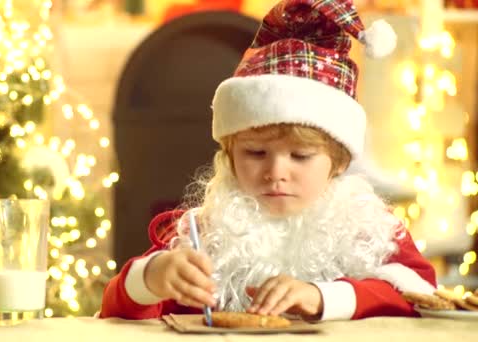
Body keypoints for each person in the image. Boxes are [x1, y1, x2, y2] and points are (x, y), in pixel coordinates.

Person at [100, 0, 436, 321]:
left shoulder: (368, 229)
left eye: (301, 156)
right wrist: (150, 278)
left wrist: (322, 297)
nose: (276, 173)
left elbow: (420, 293)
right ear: (229, 157)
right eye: (255, 153)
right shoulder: (203, 231)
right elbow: (117, 308)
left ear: (338, 162)